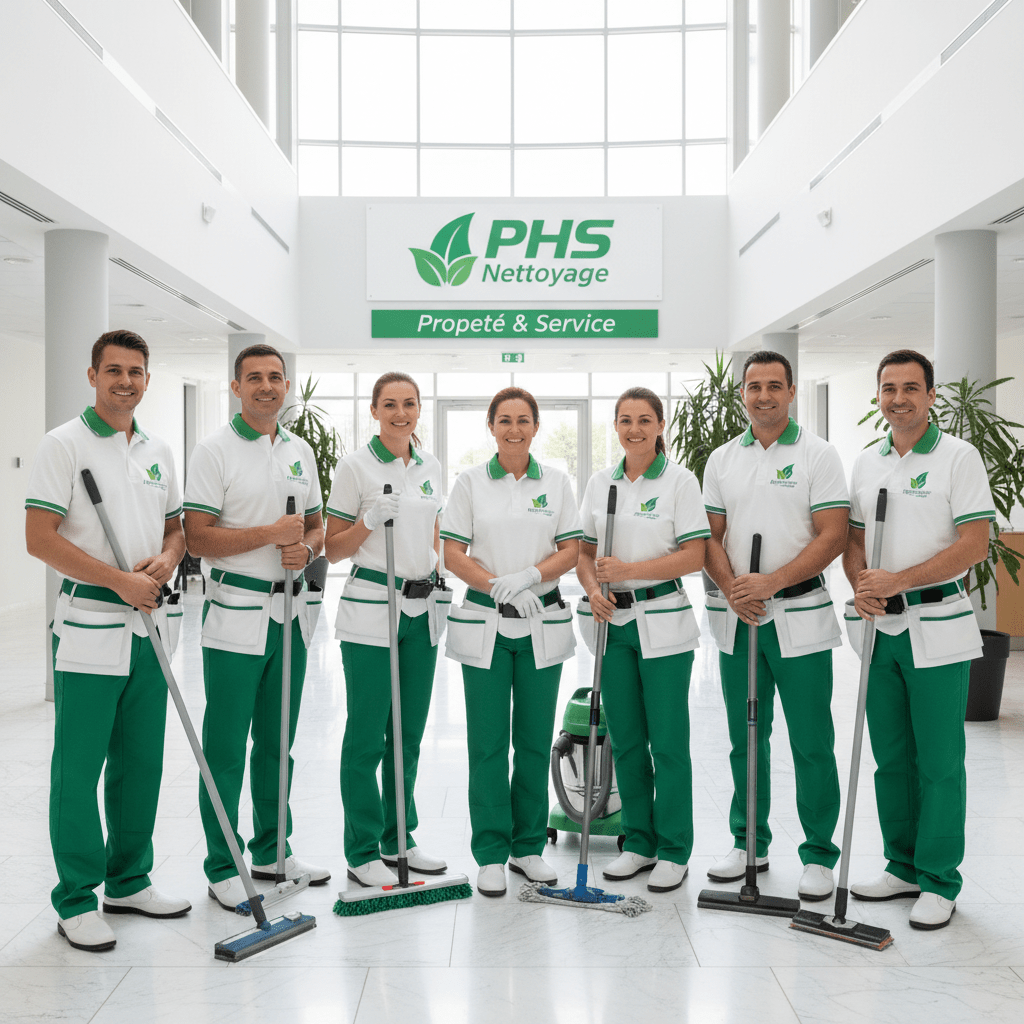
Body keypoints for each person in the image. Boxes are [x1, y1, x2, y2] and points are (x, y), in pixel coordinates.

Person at [25, 330, 190, 952]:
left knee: (140, 764)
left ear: (148, 378)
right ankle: (75, 897)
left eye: (137, 371)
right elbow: (39, 538)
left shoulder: (157, 449)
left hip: (150, 628)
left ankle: (129, 880)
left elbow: (177, 529)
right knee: (79, 768)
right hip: (90, 626)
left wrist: (167, 560)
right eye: (114, 370)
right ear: (92, 375)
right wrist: (117, 580)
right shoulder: (63, 444)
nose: (126, 381)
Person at [844, 349, 992, 930]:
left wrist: (899, 579)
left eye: (911, 387)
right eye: (889, 388)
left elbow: (974, 544)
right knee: (892, 759)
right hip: (880, 628)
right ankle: (901, 865)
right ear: (878, 397)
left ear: (931, 396)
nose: (899, 398)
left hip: (937, 627)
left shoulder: (958, 457)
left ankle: (938, 879)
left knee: (938, 761)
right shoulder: (867, 463)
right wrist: (862, 583)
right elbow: (853, 538)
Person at [183, 343, 327, 909]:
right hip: (237, 614)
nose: (267, 386)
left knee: (278, 742)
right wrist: (269, 535)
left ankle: (273, 849)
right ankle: (224, 863)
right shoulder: (215, 451)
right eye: (255, 378)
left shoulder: (300, 449)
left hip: (289, 612)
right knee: (224, 746)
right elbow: (198, 537)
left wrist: (307, 547)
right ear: (237, 387)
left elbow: (314, 525)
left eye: (276, 377)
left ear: (286, 386)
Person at [703, 351, 848, 901]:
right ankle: (749, 843)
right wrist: (737, 588)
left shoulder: (819, 455)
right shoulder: (722, 459)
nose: (762, 396)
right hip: (741, 619)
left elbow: (832, 535)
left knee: (812, 742)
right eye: (753, 386)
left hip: (801, 615)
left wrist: (773, 581)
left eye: (773, 386)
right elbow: (709, 538)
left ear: (792, 391)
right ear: (742, 393)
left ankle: (817, 854)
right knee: (747, 739)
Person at [442, 388, 582, 897]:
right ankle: (490, 853)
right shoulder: (470, 482)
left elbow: (572, 549)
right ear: (491, 426)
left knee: (531, 741)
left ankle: (527, 848)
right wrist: (496, 584)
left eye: (523, 420)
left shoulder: (558, 482)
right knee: (487, 745)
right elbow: (453, 554)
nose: (514, 428)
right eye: (505, 420)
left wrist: (529, 577)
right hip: (486, 624)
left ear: (536, 426)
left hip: (540, 620)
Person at [576, 387, 710, 894]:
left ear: (660, 426)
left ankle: (674, 849)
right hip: (614, 623)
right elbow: (585, 553)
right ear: (615, 425)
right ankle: (639, 842)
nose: (635, 428)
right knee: (628, 740)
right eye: (626, 419)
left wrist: (630, 570)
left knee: (669, 743)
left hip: (664, 622)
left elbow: (694, 555)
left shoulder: (678, 481)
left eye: (645, 419)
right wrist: (592, 590)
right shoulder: (600, 483)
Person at [325, 371, 449, 887]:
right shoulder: (354, 466)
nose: (402, 413)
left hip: (421, 610)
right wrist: (368, 521)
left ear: (420, 410)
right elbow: (332, 548)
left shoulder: (430, 465)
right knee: (366, 735)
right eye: (391, 404)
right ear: (374, 410)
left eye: (410, 404)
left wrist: (440, 573)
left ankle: (401, 837)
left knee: (408, 733)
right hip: (372, 606)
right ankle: (361, 848)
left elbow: (437, 532)